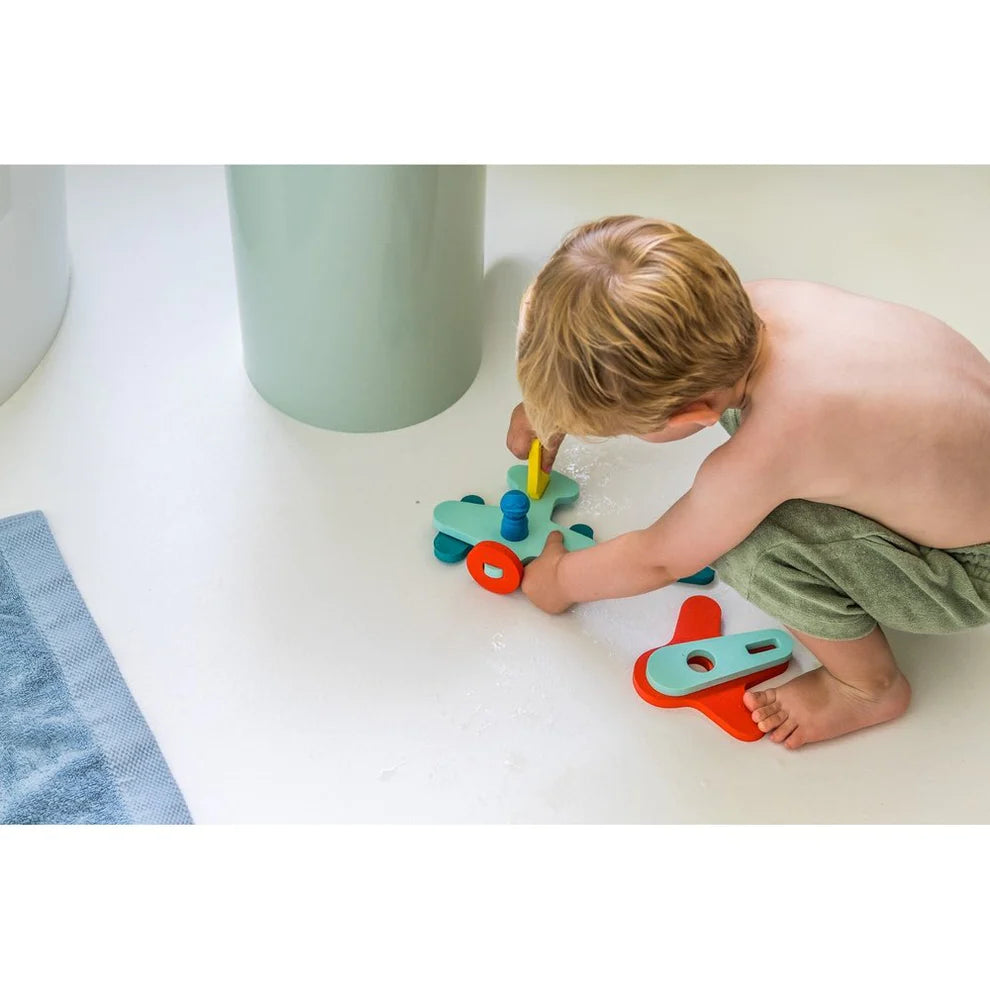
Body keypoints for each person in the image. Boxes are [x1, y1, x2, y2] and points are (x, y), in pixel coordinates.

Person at [506, 215, 990, 748]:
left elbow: (660, 558)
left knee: (746, 548)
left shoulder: (781, 439)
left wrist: (560, 581)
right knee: (747, 415)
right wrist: (555, 404)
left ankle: (868, 687)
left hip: (973, 572)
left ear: (691, 414)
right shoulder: (760, 306)